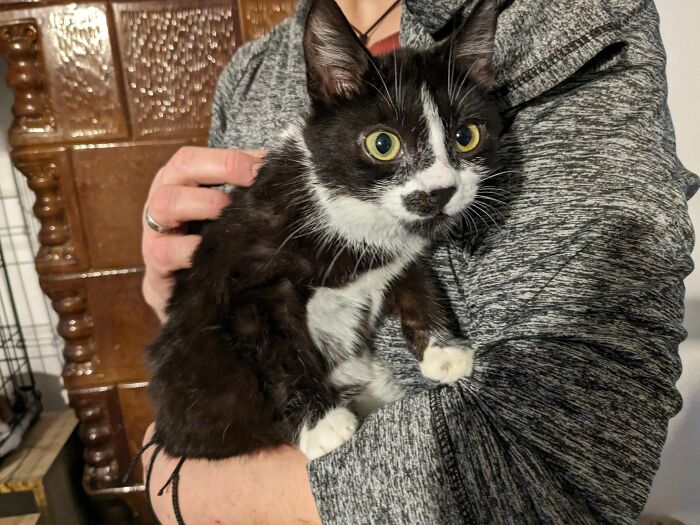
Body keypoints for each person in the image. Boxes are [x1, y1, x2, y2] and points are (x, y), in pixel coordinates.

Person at [139, 0, 698, 523]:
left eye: (466, 138)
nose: (441, 182)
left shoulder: (563, 17)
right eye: (385, 147)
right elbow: (227, 329)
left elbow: (556, 471)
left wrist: (177, 485)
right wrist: (169, 282)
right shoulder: (251, 70)